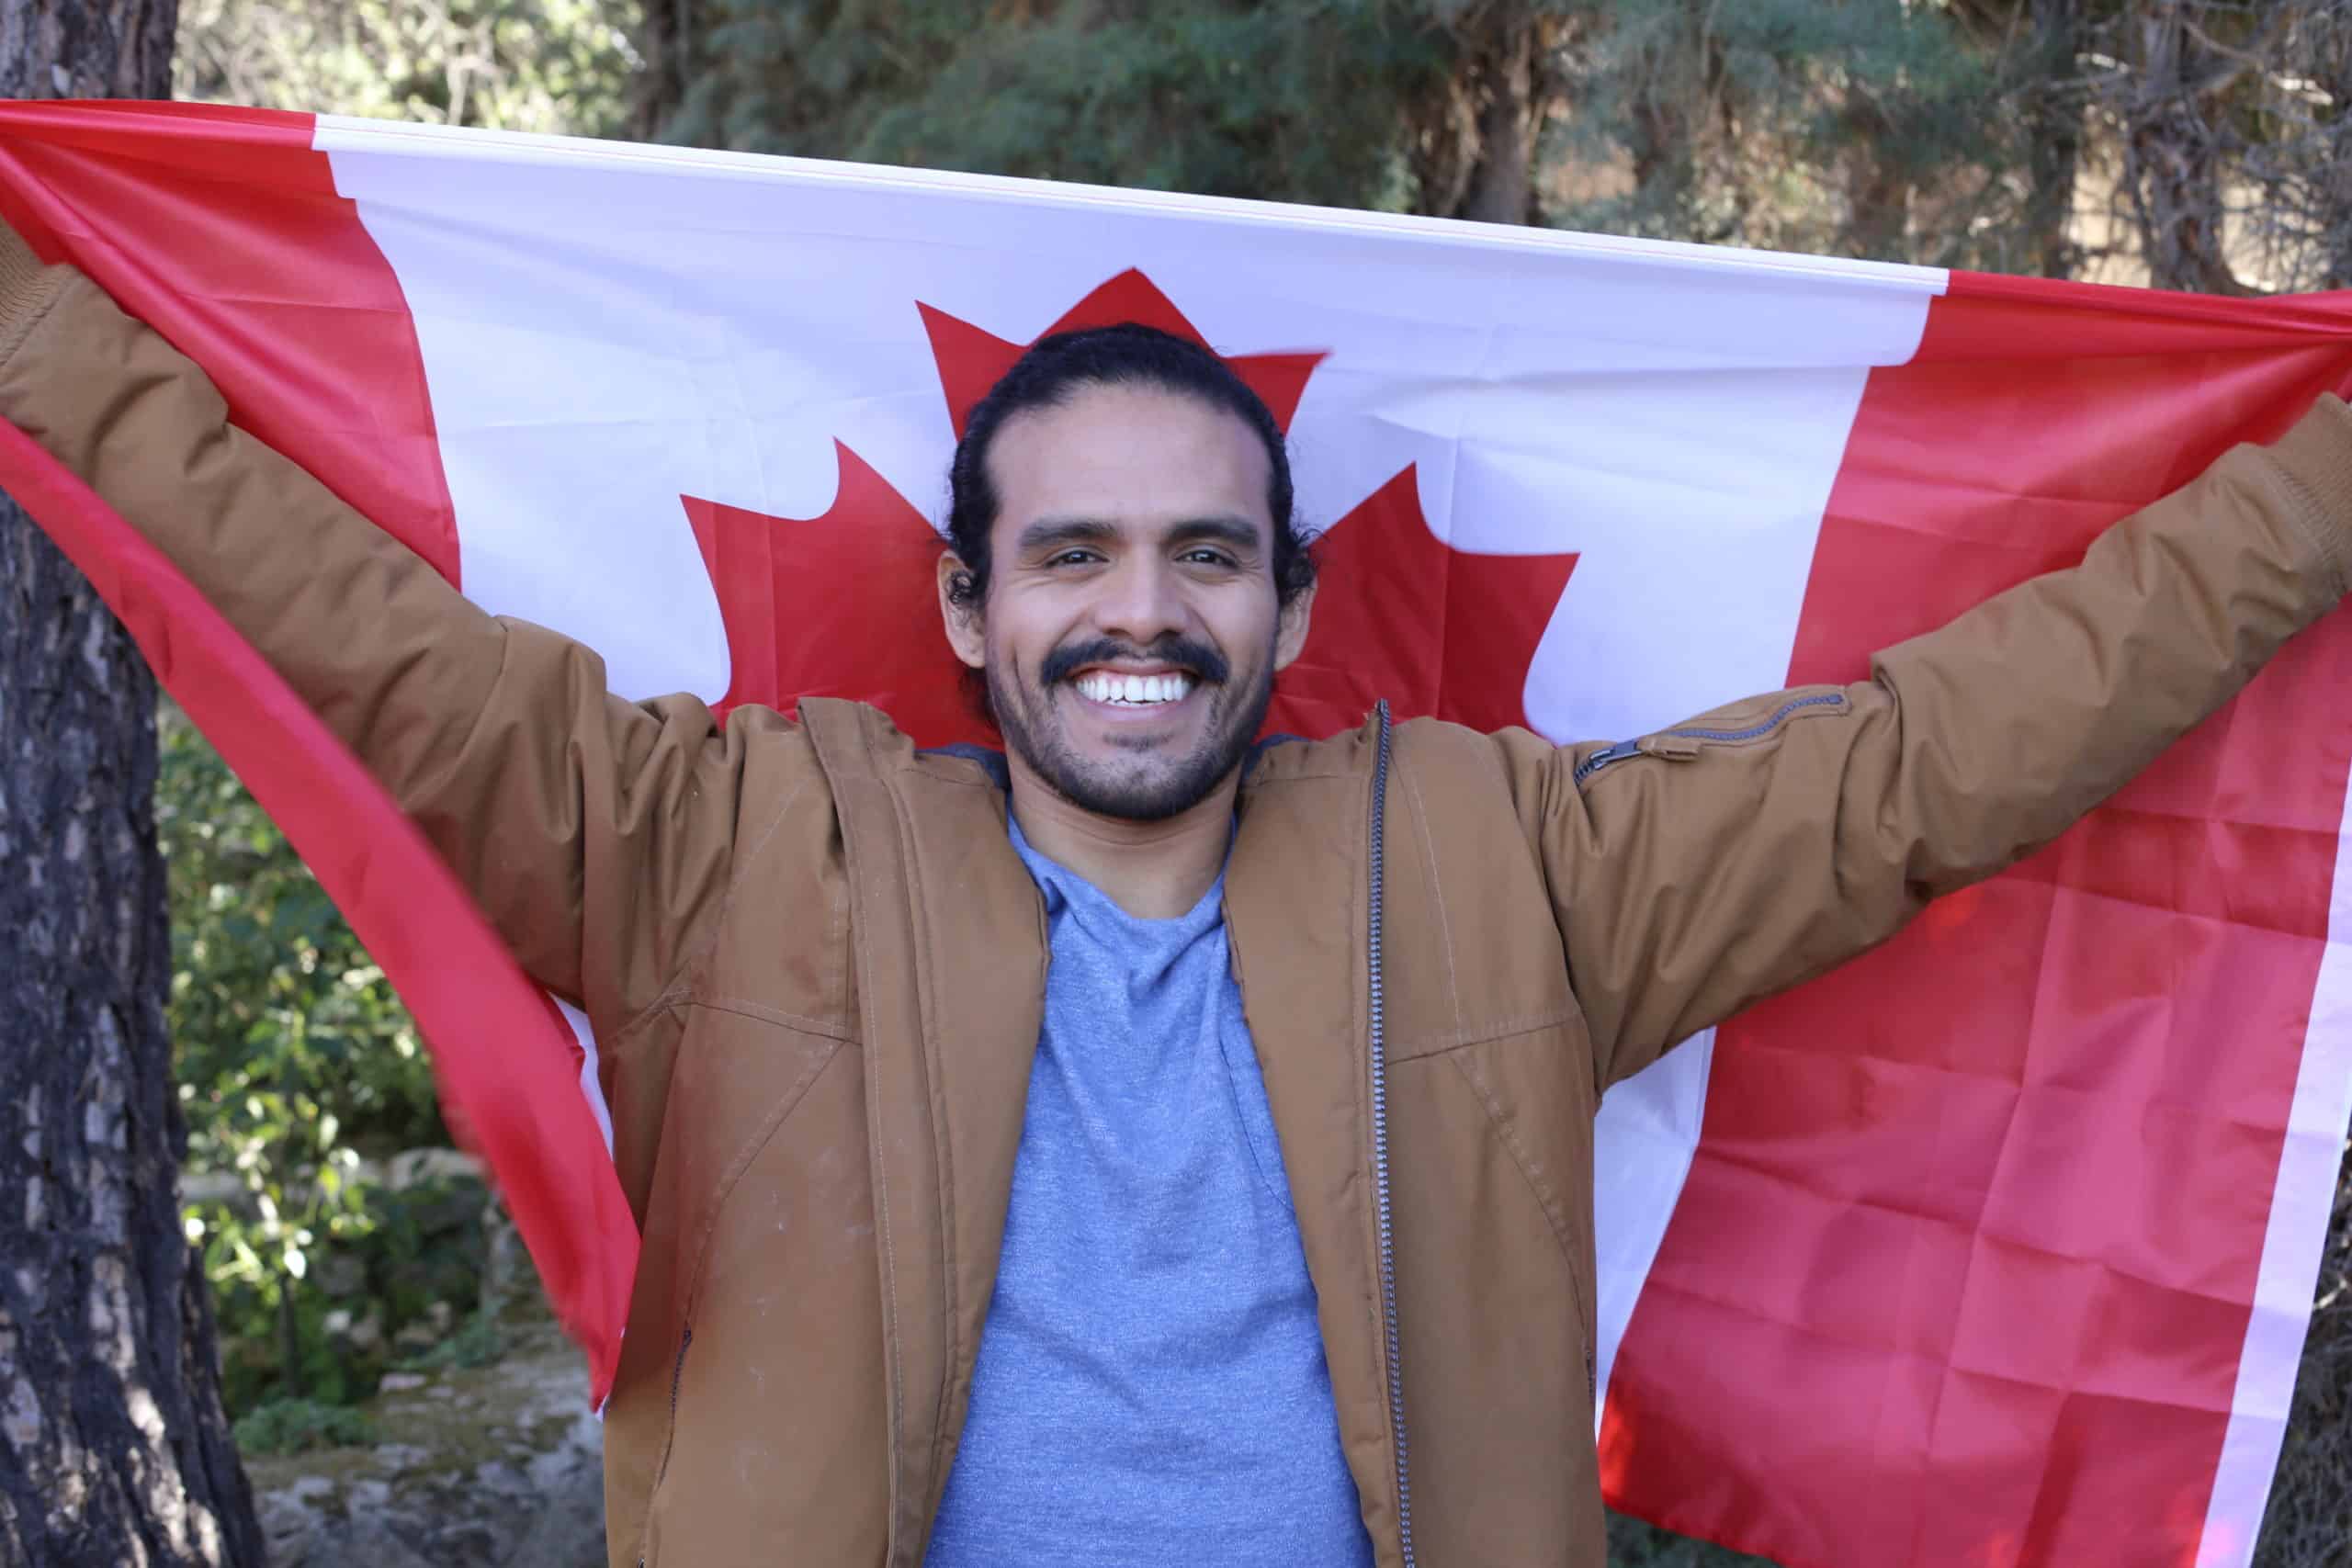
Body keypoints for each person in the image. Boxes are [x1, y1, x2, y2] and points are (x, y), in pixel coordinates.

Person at [2, 210, 2346, 1568]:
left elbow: (1944, 752)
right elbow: (333, 611)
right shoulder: (725, 855)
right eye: (1075, 556)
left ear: (1290, 606)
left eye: (1205, 554)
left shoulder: (1502, 862)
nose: (1141, 612)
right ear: (966, 606)